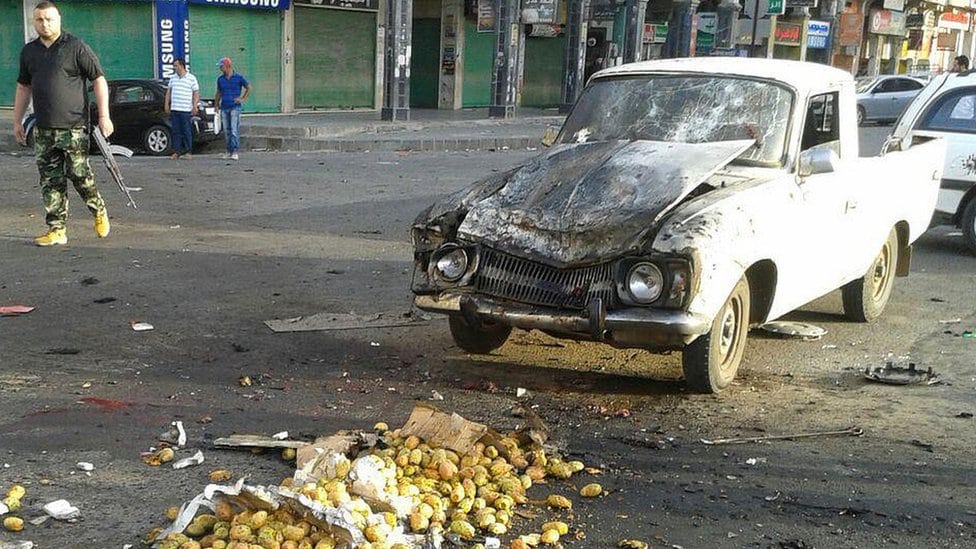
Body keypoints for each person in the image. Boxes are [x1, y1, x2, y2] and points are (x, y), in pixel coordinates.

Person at [12, 1, 113, 247]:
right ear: (33, 22)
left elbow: (98, 80)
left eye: (49, 19)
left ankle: (98, 209)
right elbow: (23, 87)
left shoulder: (76, 47)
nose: (44, 24)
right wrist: (17, 120)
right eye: (39, 20)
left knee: (79, 174)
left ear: (59, 19)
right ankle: (57, 229)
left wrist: (104, 115)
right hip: (44, 128)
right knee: (50, 180)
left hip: (74, 126)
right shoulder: (29, 52)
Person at [214, 57, 251, 161]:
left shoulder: (238, 77)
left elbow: (248, 87)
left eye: (222, 66)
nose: (221, 68)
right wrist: (216, 105)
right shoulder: (220, 79)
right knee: (226, 130)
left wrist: (242, 98)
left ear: (227, 66)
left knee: (234, 129)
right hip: (224, 106)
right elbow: (218, 92)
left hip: (235, 107)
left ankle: (234, 151)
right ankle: (228, 150)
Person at [164, 57, 199, 159]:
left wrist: (195, 105)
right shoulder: (173, 78)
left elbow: (196, 92)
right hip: (175, 108)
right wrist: (166, 104)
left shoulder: (191, 78)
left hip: (185, 109)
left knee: (186, 130)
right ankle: (177, 151)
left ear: (182, 66)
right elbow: (168, 92)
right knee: (176, 131)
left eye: (176, 65)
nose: (175, 68)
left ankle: (188, 151)